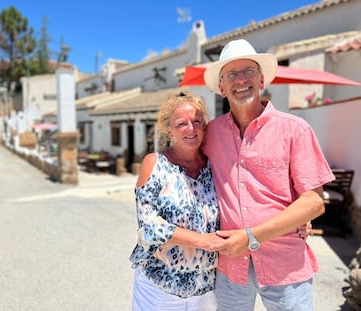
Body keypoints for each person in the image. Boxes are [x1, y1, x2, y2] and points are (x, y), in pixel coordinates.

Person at [202, 38, 335, 310]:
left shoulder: (295, 129)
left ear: (261, 80)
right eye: (231, 74)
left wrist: (251, 236)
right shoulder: (210, 133)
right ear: (222, 88)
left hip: (284, 266)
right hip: (230, 268)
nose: (241, 80)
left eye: (248, 71)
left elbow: (314, 202)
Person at [129, 91, 225, 311]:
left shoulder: (216, 165)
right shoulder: (154, 163)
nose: (191, 129)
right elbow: (150, 228)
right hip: (159, 284)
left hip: (207, 287)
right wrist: (206, 241)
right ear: (168, 129)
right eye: (182, 123)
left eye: (197, 122)